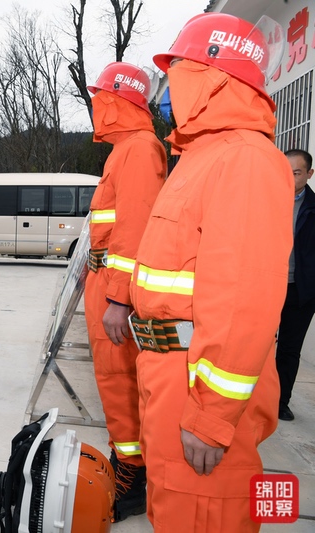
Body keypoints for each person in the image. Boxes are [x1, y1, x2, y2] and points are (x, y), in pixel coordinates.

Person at [129, 13, 291, 532]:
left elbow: (243, 299)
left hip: (197, 391)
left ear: (214, 75)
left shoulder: (245, 158)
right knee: (172, 511)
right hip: (167, 376)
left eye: (177, 66)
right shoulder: (200, 157)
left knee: (203, 516)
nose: (168, 80)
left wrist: (213, 415)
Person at [84, 62, 167, 521]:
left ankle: (132, 475)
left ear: (117, 101)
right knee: (113, 383)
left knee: (119, 383)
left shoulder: (138, 150)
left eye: (100, 98)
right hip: (105, 282)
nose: (95, 106)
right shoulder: (127, 150)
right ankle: (127, 459)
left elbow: (134, 230)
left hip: (117, 292)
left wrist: (118, 299)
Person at [276, 149, 315, 422]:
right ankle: (253, 398)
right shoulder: (267, 199)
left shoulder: (313, 209)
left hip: (299, 291)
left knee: (289, 349)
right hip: (267, 286)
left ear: (309, 174)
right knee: (258, 345)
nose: (289, 177)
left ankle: (281, 402)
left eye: (296, 172)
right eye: (285, 170)